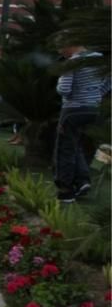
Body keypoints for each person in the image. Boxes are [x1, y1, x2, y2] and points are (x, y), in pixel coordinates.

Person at [53, 43, 110, 202]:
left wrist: (60, 78)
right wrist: (95, 95)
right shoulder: (99, 59)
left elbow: (64, 89)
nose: (60, 52)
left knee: (65, 148)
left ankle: (66, 190)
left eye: (61, 48)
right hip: (93, 109)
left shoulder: (72, 62)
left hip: (72, 111)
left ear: (70, 44)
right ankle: (83, 181)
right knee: (78, 145)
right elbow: (109, 81)